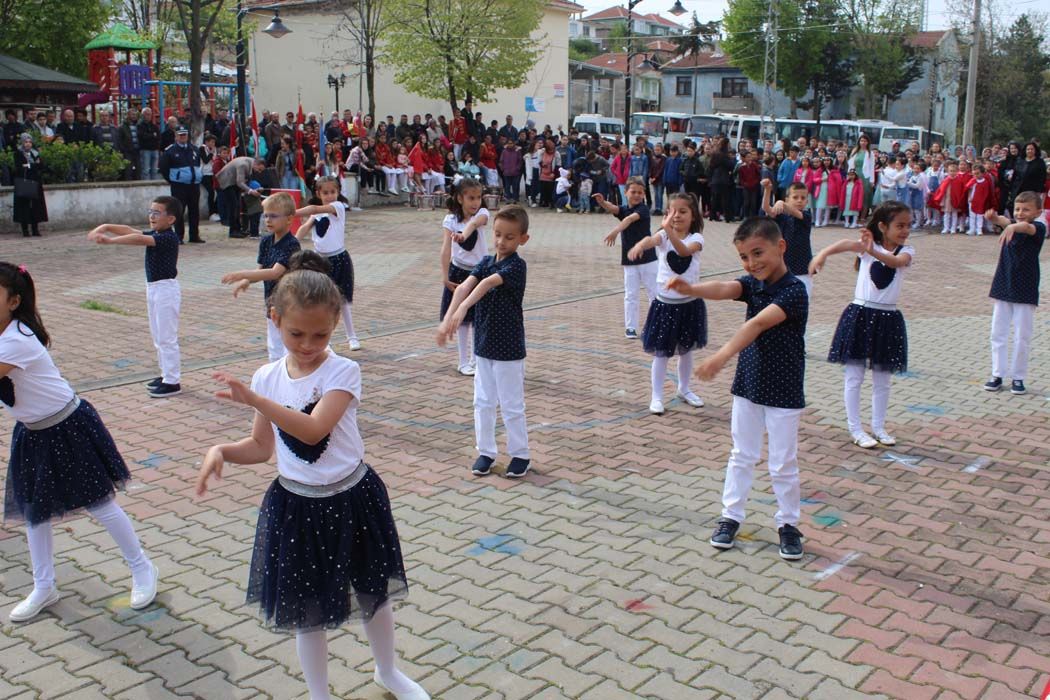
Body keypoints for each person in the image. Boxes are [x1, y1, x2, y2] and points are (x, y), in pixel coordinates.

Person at [197, 255, 428, 700]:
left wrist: (256, 401)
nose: (307, 344)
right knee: (306, 611)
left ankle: (387, 671)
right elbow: (262, 447)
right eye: (296, 333)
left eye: (320, 334)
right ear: (275, 320)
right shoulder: (266, 377)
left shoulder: (342, 371)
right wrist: (221, 450)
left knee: (373, 593)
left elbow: (314, 429)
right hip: (298, 506)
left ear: (336, 323)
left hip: (353, 498)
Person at [0, 263, 159, 622]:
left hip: (66, 427)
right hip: (32, 432)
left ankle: (142, 567)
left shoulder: (16, 340)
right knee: (35, 513)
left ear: (14, 302)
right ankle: (44, 586)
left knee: (100, 504)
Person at [666, 217, 808, 561]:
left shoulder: (794, 290)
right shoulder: (753, 283)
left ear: (781, 247)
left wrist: (721, 356)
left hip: (784, 389)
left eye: (758, 253)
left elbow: (757, 324)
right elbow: (726, 288)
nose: (752, 263)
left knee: (782, 463)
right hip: (749, 384)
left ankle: (788, 524)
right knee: (741, 454)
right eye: (744, 257)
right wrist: (692, 289)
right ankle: (730, 516)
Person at [809, 201, 914, 449]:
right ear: (883, 226)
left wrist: (872, 251)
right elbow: (844, 244)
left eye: (908, 225)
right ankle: (855, 428)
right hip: (861, 315)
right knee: (854, 376)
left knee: (883, 379)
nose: (905, 230)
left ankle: (879, 427)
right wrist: (822, 254)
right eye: (900, 225)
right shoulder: (868, 246)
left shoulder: (907, 250)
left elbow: (896, 262)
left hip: (888, 319)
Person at [437, 205, 531, 479]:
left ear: (523, 239)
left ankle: (520, 454)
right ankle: (486, 452)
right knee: (483, 401)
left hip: (509, 349)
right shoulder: (486, 261)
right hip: (484, 346)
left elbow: (487, 284)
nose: (501, 241)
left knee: (511, 404)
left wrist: (464, 308)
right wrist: (447, 319)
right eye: (498, 234)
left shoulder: (516, 266)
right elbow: (465, 286)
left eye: (509, 237)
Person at [87, 197, 183, 398]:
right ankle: (165, 374)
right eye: (150, 212)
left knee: (166, 337)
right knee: (158, 336)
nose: (152, 216)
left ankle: (173, 381)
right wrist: (105, 227)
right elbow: (131, 231)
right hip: (154, 288)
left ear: (171, 219)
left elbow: (139, 239)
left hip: (166, 290)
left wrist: (110, 241)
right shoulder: (157, 233)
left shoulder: (169, 237)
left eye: (157, 213)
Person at [627, 193, 707, 415]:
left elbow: (683, 251)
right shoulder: (663, 235)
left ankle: (684, 389)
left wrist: (667, 230)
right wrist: (640, 245)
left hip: (690, 304)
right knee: (661, 353)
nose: (677, 216)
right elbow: (651, 240)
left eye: (683, 211)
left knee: (687, 351)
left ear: (693, 216)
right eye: (672, 211)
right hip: (665, 305)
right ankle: (657, 396)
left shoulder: (696, 239)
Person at [222, 192, 302, 360]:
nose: (268, 220)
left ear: (289, 219)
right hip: (271, 302)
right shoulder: (266, 241)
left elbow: (275, 272)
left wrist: (242, 273)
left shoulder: (291, 244)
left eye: (273, 216)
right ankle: (275, 373)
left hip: (289, 302)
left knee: (289, 347)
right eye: (265, 216)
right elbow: (261, 269)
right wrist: (247, 281)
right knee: (274, 347)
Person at [983, 192, 1046, 395]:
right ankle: (997, 374)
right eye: (1018, 209)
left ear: (1038, 212)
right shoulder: (1011, 224)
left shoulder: (1038, 228)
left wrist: (1011, 226)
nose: (1020, 213)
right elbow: (1003, 220)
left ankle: (1018, 377)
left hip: (1025, 289)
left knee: (1022, 336)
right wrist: (994, 218)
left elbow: (1025, 227)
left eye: (1026, 209)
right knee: (997, 333)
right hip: (1003, 285)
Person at [294, 176, 361, 352]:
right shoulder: (316, 214)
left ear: (338, 192)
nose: (330, 196)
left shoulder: (338, 207)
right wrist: (292, 244)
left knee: (343, 301)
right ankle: (326, 338)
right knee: (323, 302)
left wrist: (291, 212)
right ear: (318, 193)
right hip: (320, 262)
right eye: (325, 193)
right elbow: (304, 228)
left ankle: (352, 336)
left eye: (333, 192)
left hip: (339, 259)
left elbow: (314, 208)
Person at [594, 177, 657, 340]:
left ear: (644, 195)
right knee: (631, 294)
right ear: (626, 192)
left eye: (640, 193)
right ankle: (631, 327)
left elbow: (629, 219)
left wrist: (615, 231)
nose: (636, 195)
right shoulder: (624, 209)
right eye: (633, 192)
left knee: (654, 294)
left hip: (648, 259)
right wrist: (602, 202)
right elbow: (614, 208)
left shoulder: (643, 209)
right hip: (629, 261)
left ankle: (656, 324)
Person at [439, 179, 489, 376]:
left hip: (479, 273)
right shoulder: (450, 220)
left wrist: (463, 235)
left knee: (478, 318)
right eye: (471, 198)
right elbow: (445, 249)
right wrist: (445, 276)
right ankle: (463, 361)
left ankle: (476, 359)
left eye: (478, 197)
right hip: (458, 271)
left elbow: (475, 223)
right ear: (460, 198)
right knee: (461, 320)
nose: (475, 202)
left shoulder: (482, 213)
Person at [762, 180, 814, 298]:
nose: (799, 200)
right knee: (782, 301)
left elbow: (795, 213)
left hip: (803, 270)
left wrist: (781, 203)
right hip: (783, 269)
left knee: (802, 301)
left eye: (803, 198)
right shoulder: (782, 217)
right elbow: (767, 208)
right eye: (795, 197)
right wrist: (768, 190)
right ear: (787, 199)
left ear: (807, 201)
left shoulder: (806, 216)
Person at [159, 126, 205, 244]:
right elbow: (163, 168)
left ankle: (194, 235)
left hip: (194, 185)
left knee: (194, 211)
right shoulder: (170, 151)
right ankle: (179, 236)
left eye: (185, 134)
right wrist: (174, 180)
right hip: (179, 186)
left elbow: (198, 164)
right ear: (176, 136)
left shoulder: (194, 149)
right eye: (180, 135)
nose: (183, 137)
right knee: (179, 211)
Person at [217, 156, 267, 238]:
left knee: (238, 206)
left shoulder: (251, 163)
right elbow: (240, 182)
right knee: (233, 206)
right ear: (256, 164)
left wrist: (256, 189)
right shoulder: (243, 165)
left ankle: (238, 229)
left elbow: (244, 181)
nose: (259, 172)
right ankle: (233, 231)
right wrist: (251, 191)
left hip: (233, 182)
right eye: (259, 169)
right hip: (227, 181)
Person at [12, 134, 47, 238]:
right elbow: (19, 167)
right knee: (24, 206)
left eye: (30, 142)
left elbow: (41, 165)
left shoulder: (35, 153)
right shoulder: (18, 153)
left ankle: (35, 229)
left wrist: (29, 165)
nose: (28, 144)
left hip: (35, 181)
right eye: (26, 142)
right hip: (24, 182)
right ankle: (25, 230)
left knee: (36, 206)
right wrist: (32, 165)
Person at [966, 164, 995, 236]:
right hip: (972, 201)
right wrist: (969, 197)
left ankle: (979, 229)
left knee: (980, 215)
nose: (975, 175)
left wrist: (983, 201)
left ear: (982, 173)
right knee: (972, 216)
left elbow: (986, 193)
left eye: (977, 173)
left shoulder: (985, 182)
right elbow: (969, 189)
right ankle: (972, 229)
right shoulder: (972, 181)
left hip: (981, 202)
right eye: (974, 174)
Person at [137, 108, 160, 181]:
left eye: (150, 114)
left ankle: (154, 185)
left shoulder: (154, 126)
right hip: (145, 150)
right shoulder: (139, 125)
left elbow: (158, 136)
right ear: (142, 115)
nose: (149, 116)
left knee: (154, 170)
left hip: (155, 150)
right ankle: (146, 185)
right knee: (145, 170)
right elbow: (142, 136)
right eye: (147, 114)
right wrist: (153, 135)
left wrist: (150, 135)